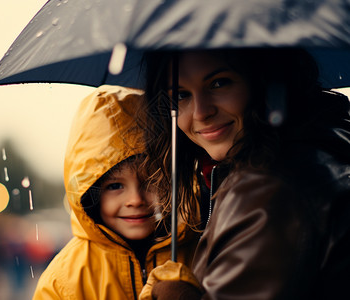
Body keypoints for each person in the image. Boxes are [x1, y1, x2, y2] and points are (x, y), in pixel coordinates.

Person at [138, 48, 350, 299]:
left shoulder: (267, 189)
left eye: (218, 83)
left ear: (264, 77)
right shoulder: (321, 140)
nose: (200, 112)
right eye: (181, 95)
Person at [32, 85, 199, 300]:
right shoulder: (63, 281)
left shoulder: (200, 248)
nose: (135, 200)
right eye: (115, 186)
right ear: (91, 196)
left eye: (152, 181)